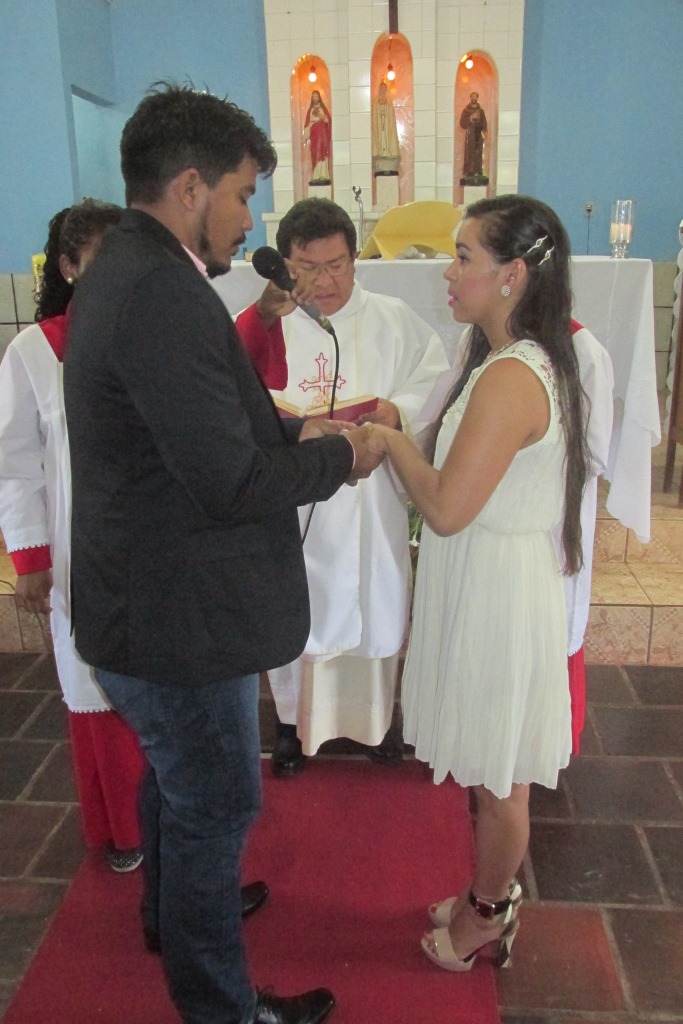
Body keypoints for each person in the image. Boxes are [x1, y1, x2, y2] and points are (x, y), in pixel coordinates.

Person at [63, 83, 382, 1024]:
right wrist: (338, 455)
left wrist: (294, 434)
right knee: (213, 807)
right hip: (173, 618)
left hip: (148, 596)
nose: (250, 220)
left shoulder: (130, 265)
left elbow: (200, 430)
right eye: (244, 194)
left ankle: (171, 911)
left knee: (178, 785)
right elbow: (227, 484)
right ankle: (221, 1007)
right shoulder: (160, 290)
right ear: (193, 186)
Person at [363, 195, 591, 972]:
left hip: (495, 586)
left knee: (500, 783)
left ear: (511, 275)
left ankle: (487, 914)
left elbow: (449, 509)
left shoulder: (510, 376)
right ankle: (479, 894)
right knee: (492, 771)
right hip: (489, 575)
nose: (447, 272)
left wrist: (391, 439)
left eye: (463, 256)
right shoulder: (505, 359)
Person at [236, 197, 449, 776]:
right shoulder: (265, 320)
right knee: (296, 608)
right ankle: (291, 727)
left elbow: (434, 378)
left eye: (336, 265)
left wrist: (396, 412)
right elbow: (235, 390)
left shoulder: (392, 317)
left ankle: (376, 724)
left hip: (369, 498)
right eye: (307, 267)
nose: (323, 282)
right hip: (297, 498)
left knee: (375, 602)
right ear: (285, 264)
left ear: (356, 260)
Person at [0, 199, 147, 874]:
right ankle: (125, 828)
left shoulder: (152, 335)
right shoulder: (34, 350)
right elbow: (16, 460)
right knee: (96, 686)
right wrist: (30, 557)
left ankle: (171, 818)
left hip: (152, 551)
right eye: (96, 259)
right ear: (66, 265)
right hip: (78, 550)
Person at [303, 90, 331, 185]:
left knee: (323, 153)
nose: (315, 98)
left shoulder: (323, 108)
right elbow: (307, 124)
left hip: (322, 135)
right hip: (314, 135)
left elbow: (328, 121)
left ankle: (323, 174)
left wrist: (322, 117)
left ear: (319, 97)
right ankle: (316, 174)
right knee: (315, 154)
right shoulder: (310, 110)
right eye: (313, 97)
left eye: (316, 96)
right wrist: (306, 134)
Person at [372, 80, 400, 176]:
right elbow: (375, 115)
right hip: (380, 125)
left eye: (384, 89)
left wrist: (385, 112)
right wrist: (380, 113)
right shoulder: (376, 101)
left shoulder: (389, 101)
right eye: (382, 89)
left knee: (386, 137)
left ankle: (388, 150)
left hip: (387, 125)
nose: (383, 90)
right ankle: (381, 150)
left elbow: (391, 115)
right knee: (381, 137)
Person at [459, 91, 488, 181]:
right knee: (470, 151)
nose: (474, 98)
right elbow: (462, 123)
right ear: (470, 98)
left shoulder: (481, 111)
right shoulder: (466, 110)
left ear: (477, 98)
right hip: (471, 133)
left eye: (475, 96)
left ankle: (478, 170)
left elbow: (484, 123)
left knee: (478, 151)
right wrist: (470, 118)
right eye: (472, 96)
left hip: (478, 133)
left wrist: (484, 131)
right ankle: (470, 170)